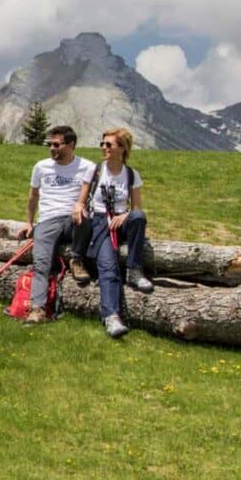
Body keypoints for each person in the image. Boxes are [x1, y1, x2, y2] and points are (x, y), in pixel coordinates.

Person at [17, 125, 95, 324]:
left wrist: (79, 206)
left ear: (71, 145)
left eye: (57, 144)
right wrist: (29, 222)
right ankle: (37, 310)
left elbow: (86, 196)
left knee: (85, 217)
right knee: (41, 263)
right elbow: (33, 196)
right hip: (47, 220)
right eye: (50, 144)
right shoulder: (41, 167)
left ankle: (76, 260)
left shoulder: (87, 166)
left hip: (72, 217)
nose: (52, 148)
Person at [86, 128, 152, 338]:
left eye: (109, 145)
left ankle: (134, 270)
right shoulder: (95, 170)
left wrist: (125, 215)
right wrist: (78, 208)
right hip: (99, 222)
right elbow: (81, 201)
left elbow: (138, 208)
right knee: (108, 266)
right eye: (102, 144)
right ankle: (111, 316)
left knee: (139, 217)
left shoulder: (132, 174)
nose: (104, 148)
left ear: (122, 148)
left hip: (121, 221)